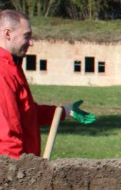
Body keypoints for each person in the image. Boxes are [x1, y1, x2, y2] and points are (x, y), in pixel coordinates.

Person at [1, 9, 96, 158]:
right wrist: (16, 173)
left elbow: (27, 113)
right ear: (8, 34)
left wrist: (64, 111)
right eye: (27, 36)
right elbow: (7, 134)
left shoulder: (12, 67)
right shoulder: (2, 72)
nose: (31, 42)